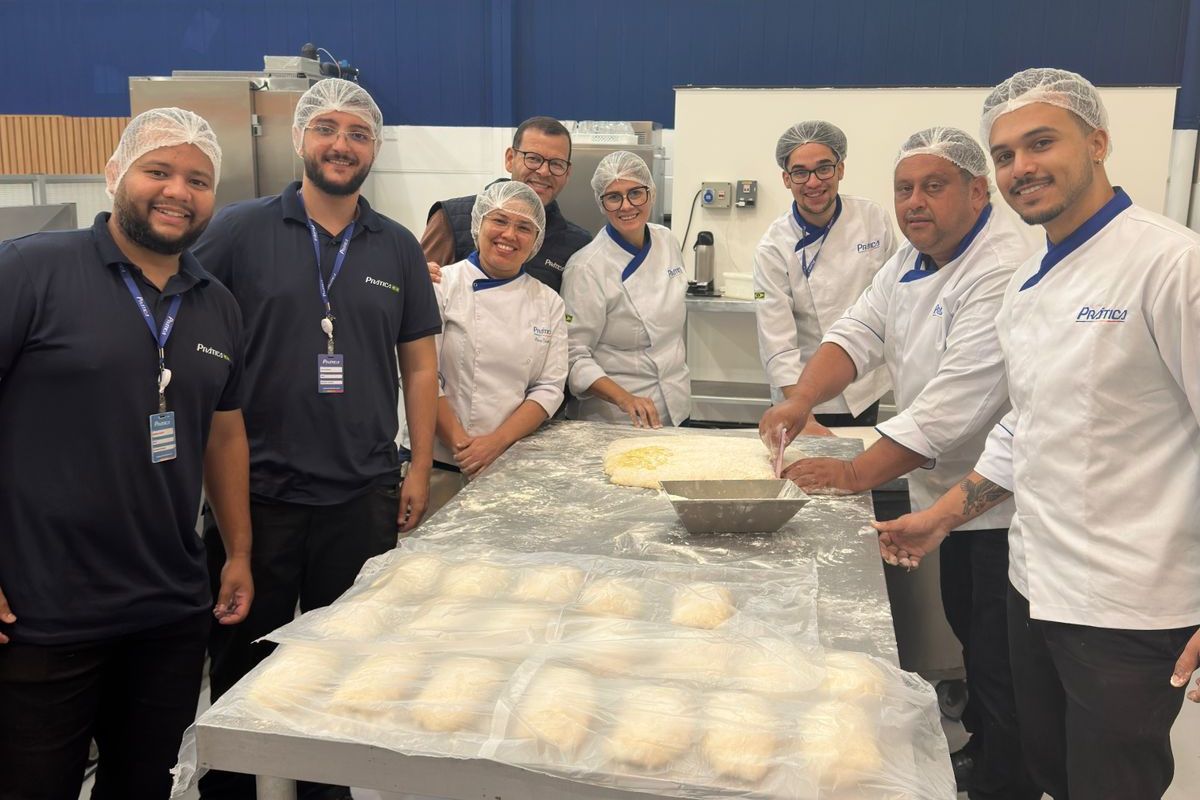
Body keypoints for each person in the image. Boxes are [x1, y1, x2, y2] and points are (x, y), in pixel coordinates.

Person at [875, 68, 1200, 799]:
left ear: (1098, 142)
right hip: (1033, 583)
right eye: (1005, 153)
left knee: (1111, 785)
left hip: (1129, 604)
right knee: (1046, 768)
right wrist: (939, 517)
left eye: (1041, 143)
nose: (1022, 167)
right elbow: (1026, 427)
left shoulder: (1170, 265)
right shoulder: (1031, 283)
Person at [761, 127, 1039, 798]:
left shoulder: (1000, 267)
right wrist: (801, 396)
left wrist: (855, 474)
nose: (914, 202)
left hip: (997, 500)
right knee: (972, 637)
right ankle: (982, 750)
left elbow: (955, 405)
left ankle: (1009, 780)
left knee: (1001, 658)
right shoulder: (914, 257)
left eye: (933, 186)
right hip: (943, 491)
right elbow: (858, 331)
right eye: (904, 188)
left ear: (978, 190)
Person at [194, 78, 440, 800]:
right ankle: (231, 792)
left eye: (359, 133)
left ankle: (325, 789)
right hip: (255, 496)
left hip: (361, 494)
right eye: (327, 128)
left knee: (343, 668)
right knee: (243, 665)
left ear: (375, 149)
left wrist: (418, 466)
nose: (342, 144)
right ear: (303, 138)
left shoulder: (394, 245)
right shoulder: (239, 231)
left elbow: (420, 363)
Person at [0, 108, 253, 800]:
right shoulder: (30, 271)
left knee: (143, 786)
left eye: (198, 179)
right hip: (43, 610)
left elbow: (224, 432)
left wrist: (237, 551)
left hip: (167, 609)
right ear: (116, 174)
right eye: (159, 170)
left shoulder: (217, 305)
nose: (178, 190)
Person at [402, 181, 566, 505]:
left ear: (536, 240)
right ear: (479, 224)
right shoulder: (439, 285)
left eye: (524, 227)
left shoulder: (548, 302)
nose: (509, 235)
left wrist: (495, 444)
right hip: (438, 466)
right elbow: (420, 375)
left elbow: (549, 388)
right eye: (500, 220)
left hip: (507, 463)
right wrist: (465, 447)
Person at [753, 120, 896, 431]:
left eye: (824, 168)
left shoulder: (874, 220)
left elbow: (895, 301)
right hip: (799, 388)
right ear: (786, 179)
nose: (813, 182)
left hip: (863, 385)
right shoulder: (773, 246)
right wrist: (800, 409)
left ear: (841, 169)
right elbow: (775, 337)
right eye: (801, 173)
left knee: (855, 473)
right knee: (802, 475)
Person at [562, 151, 689, 427]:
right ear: (602, 204)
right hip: (616, 416)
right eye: (614, 197)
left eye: (635, 193)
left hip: (676, 402)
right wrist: (625, 398)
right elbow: (573, 354)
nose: (626, 205)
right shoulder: (586, 267)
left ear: (651, 193)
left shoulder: (666, 240)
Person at [421, 115, 592, 293]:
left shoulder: (577, 244)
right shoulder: (451, 218)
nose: (543, 171)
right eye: (533, 158)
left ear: (567, 173)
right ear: (510, 159)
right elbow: (418, 290)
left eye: (556, 164)